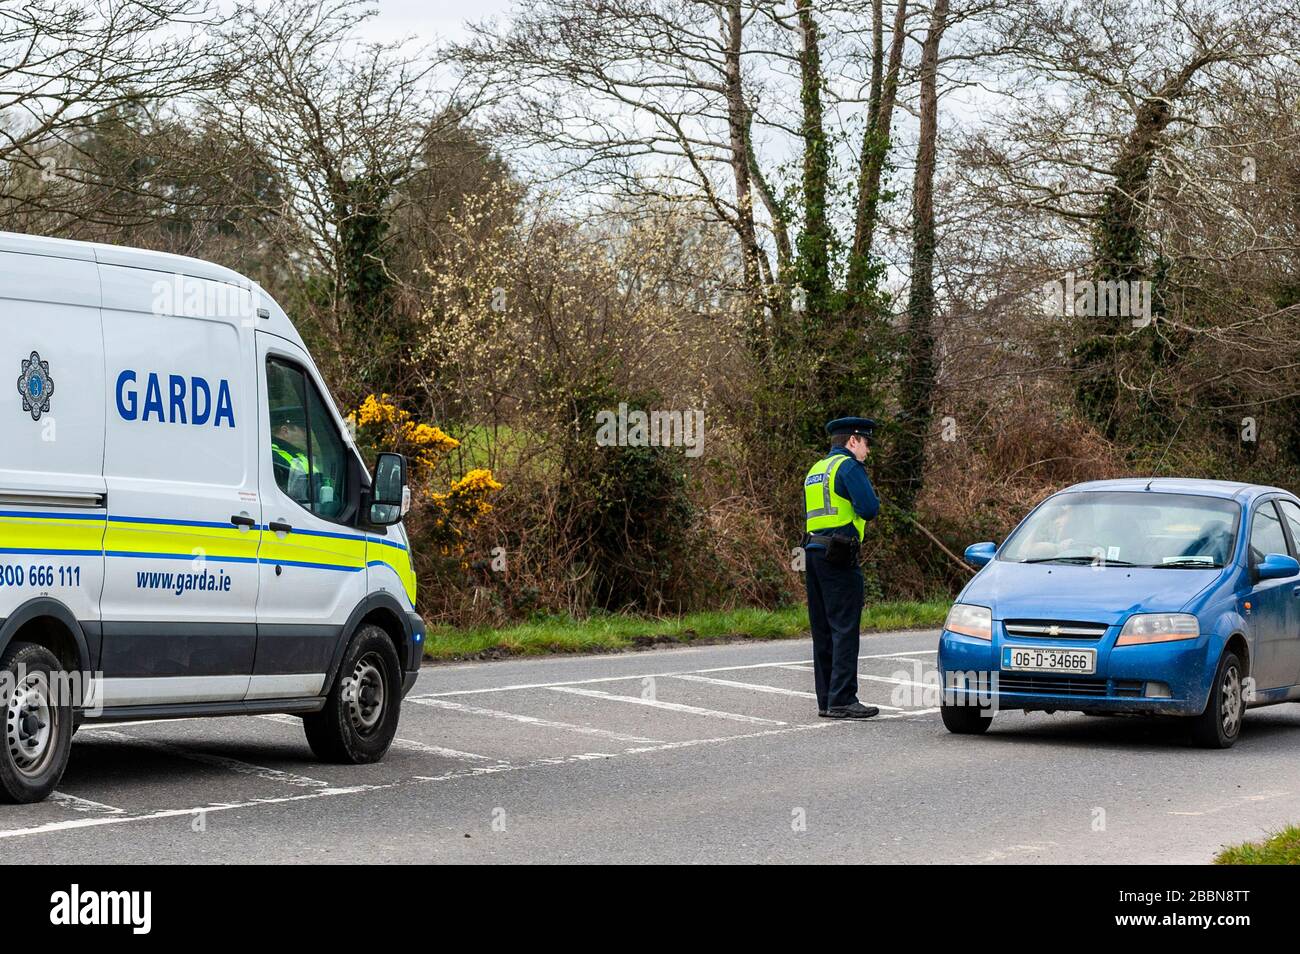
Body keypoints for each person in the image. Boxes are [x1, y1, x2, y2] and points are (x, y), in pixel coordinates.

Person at [803, 417, 881, 719]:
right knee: (845, 628)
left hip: (812, 551)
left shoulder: (815, 470)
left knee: (822, 629)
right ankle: (844, 699)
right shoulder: (848, 467)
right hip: (839, 554)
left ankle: (826, 699)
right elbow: (869, 508)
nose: (867, 451)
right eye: (866, 443)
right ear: (852, 441)